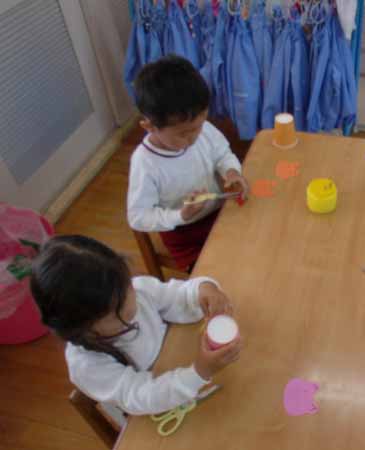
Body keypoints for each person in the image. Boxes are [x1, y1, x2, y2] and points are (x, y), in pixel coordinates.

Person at [30, 235, 242, 415]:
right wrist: (199, 372)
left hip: (182, 370)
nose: (132, 301)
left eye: (127, 288)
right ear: (81, 327)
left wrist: (204, 290)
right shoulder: (87, 365)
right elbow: (142, 397)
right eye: (117, 308)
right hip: (157, 411)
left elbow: (178, 295)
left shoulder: (138, 290)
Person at [127, 55, 249, 271]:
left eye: (199, 126)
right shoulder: (145, 163)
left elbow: (223, 154)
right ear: (149, 127)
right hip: (184, 236)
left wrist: (231, 172)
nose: (194, 137)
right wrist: (180, 215)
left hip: (220, 215)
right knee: (225, 274)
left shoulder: (201, 130)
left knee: (257, 250)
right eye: (183, 134)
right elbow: (138, 217)